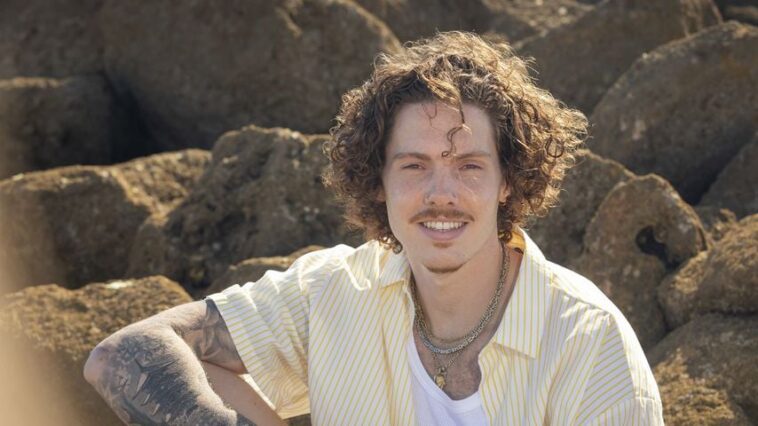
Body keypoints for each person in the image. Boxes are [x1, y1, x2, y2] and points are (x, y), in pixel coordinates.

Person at [84, 32, 663, 425]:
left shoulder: (587, 341)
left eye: (468, 166)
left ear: (508, 181)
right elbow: (124, 356)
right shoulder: (334, 292)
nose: (441, 194)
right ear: (378, 180)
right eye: (414, 166)